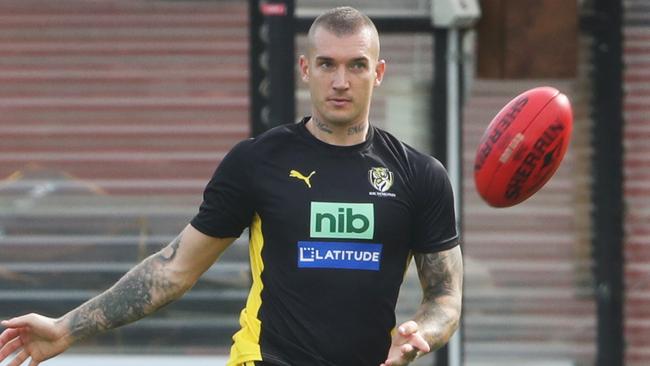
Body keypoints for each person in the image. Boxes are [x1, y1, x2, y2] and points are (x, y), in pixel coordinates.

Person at [0, 6, 462, 366]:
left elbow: (444, 297)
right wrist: (66, 329)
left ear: (378, 73)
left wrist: (420, 332)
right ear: (305, 69)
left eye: (357, 66)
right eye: (327, 64)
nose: (340, 82)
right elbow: (174, 269)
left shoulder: (419, 175)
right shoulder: (258, 161)